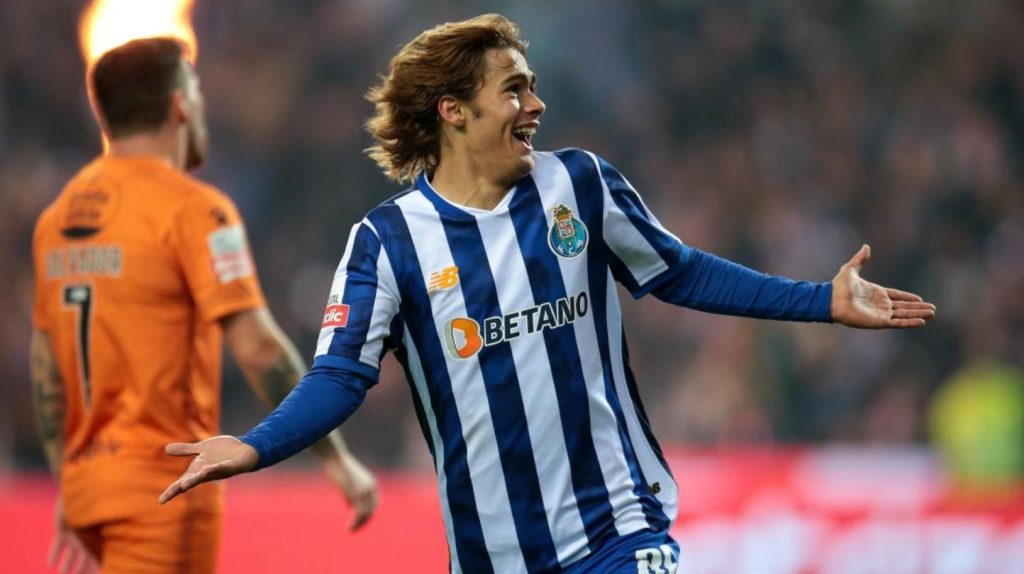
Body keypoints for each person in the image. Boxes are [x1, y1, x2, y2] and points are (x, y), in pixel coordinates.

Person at [158, 14, 936, 574]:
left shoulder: (580, 185)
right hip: (494, 557)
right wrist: (255, 445)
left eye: (532, 89)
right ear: (454, 112)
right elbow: (340, 375)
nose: (535, 106)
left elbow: (680, 271)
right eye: (514, 90)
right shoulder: (386, 243)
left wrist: (819, 301)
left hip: (619, 531)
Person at [30, 37, 378, 574]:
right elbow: (260, 349)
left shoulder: (56, 221)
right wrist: (336, 458)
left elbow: (46, 368)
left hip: (88, 492)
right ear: (179, 106)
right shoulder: (195, 210)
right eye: (195, 91)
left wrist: (70, 485)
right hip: (165, 489)